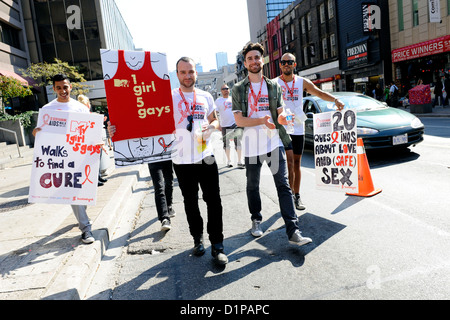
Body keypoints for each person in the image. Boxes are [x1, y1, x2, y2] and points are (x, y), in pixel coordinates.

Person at [232, 43, 344, 246]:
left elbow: (281, 111)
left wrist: (282, 118)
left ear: (262, 60)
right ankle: (256, 219)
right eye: (250, 58)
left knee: (284, 185)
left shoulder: (273, 86)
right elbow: (239, 121)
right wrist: (261, 121)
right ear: (246, 63)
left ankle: (293, 231)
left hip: (274, 142)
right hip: (251, 146)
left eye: (257, 57)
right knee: (252, 186)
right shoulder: (239, 89)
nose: (254, 61)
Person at [171, 57, 227, 265]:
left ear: (196, 73)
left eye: (191, 72)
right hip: (181, 159)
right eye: (183, 72)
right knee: (190, 201)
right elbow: (149, 121)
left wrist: (212, 127)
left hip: (206, 155)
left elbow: (214, 118)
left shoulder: (205, 96)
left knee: (214, 200)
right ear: (177, 74)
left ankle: (218, 245)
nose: (187, 76)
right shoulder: (169, 98)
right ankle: (197, 238)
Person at [32, 74, 96, 244]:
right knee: (73, 193)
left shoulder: (80, 108)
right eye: (58, 88)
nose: (62, 91)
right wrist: (37, 134)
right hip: (62, 161)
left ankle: (81, 216)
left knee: (82, 193)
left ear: (71, 87)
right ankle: (86, 229)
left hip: (81, 157)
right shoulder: (47, 110)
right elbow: (42, 134)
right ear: (53, 89)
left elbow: (90, 132)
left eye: (65, 87)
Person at [275, 53, 344, 211]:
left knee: (297, 163)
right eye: (284, 62)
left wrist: (335, 100)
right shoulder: (274, 83)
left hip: (298, 128)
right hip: (283, 128)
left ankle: (296, 195)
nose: (286, 64)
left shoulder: (301, 82)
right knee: (289, 162)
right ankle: (288, 197)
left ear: (295, 64)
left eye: (289, 62)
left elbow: (319, 93)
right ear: (280, 65)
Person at [77, 94, 108, 187]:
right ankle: (95, 179)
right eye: (89, 102)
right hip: (90, 141)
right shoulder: (84, 113)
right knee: (93, 160)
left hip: (94, 140)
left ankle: (98, 177)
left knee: (96, 159)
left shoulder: (86, 113)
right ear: (87, 103)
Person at [215, 83, 244, 168]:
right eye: (224, 89)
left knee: (238, 142)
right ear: (221, 91)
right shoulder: (218, 101)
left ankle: (239, 160)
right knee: (226, 144)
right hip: (224, 125)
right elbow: (215, 113)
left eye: (227, 88)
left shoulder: (233, 99)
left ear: (229, 90)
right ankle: (229, 160)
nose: (225, 90)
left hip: (234, 124)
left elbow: (238, 111)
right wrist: (218, 124)